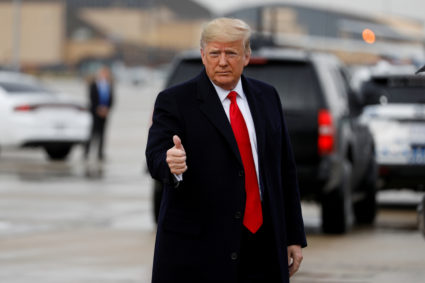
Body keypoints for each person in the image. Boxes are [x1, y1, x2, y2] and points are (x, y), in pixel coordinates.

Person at [145, 18, 306, 283]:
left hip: (263, 245)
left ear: (246, 56)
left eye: (231, 53)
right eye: (215, 53)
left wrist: (293, 236)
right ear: (202, 55)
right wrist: (169, 162)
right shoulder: (175, 101)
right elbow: (155, 155)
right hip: (201, 250)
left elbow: (285, 171)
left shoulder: (268, 97)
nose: (222, 61)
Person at [84, 66, 114, 161]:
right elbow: (91, 98)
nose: (105, 75)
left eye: (106, 73)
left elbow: (112, 99)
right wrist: (98, 109)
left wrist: (107, 109)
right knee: (93, 133)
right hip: (95, 112)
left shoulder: (109, 85)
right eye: (103, 73)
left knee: (102, 134)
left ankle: (100, 153)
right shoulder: (94, 85)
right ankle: (86, 152)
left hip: (105, 113)